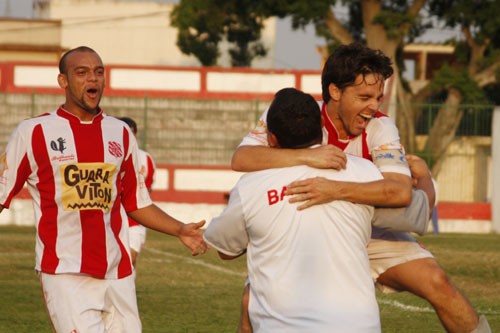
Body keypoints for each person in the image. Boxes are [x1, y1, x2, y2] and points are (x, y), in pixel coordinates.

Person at [231, 43, 490, 333]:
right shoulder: (297, 115)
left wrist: (334, 189)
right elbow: (242, 158)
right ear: (335, 92)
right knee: (250, 303)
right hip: (309, 228)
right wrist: (306, 155)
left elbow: (399, 192)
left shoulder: (381, 127)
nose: (374, 107)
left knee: (437, 282)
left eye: (378, 97)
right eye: (364, 96)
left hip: (370, 230)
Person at [0, 46, 207, 333]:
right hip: (66, 273)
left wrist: (180, 229)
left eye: (98, 72)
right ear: (63, 81)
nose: (92, 79)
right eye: (81, 73)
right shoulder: (33, 132)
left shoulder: (119, 132)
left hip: (117, 272)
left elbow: (136, 202)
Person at [205, 87, 387, 332]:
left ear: (271, 139)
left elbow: (225, 251)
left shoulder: (251, 187)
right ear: (322, 124)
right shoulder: (367, 172)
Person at [119, 116, 156, 267]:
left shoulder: (145, 158)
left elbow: (147, 188)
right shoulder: (110, 155)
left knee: (130, 259)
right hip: (113, 220)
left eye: (132, 132)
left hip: (136, 220)